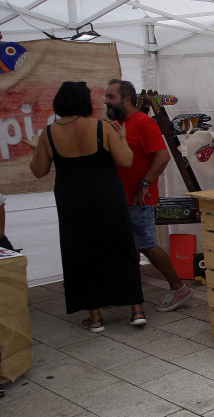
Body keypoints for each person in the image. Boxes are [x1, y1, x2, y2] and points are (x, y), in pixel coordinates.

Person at [26, 81, 144, 331]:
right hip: (107, 197)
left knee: (82, 253)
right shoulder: (103, 127)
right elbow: (126, 160)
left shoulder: (49, 133)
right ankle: (136, 309)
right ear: (85, 102)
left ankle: (95, 316)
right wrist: (121, 138)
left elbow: (38, 170)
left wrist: (38, 150)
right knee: (120, 248)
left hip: (72, 202)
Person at [105, 79, 192, 313]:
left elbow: (162, 156)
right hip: (122, 196)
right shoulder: (117, 123)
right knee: (130, 245)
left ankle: (179, 287)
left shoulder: (142, 122)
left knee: (146, 244)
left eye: (111, 97)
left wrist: (145, 183)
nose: (106, 101)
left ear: (125, 99)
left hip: (138, 197)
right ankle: (130, 291)